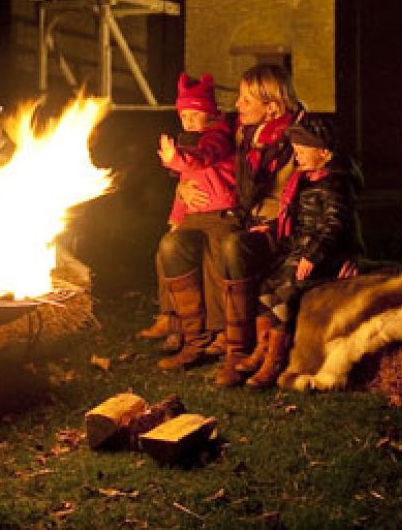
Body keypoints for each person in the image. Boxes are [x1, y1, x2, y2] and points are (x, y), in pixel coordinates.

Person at [159, 64, 304, 377]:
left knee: (231, 245)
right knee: (172, 244)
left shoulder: (298, 139)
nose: (237, 105)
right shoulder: (241, 132)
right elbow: (209, 159)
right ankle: (195, 339)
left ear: (272, 107)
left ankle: (235, 349)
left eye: (246, 100)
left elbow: (330, 187)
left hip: (276, 227)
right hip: (241, 216)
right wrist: (183, 186)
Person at [234, 114, 363, 389]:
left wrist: (313, 255)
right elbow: (297, 217)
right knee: (267, 285)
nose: (297, 157)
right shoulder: (306, 179)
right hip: (298, 249)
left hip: (323, 257)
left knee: (284, 292)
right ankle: (263, 348)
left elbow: (335, 225)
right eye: (295, 150)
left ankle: (276, 360)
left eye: (302, 152)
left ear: (324, 153)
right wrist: (270, 227)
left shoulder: (335, 184)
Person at [146, 74, 239, 374]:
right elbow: (185, 184)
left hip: (220, 214)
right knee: (166, 251)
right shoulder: (190, 142)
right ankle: (176, 322)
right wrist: (176, 218)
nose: (187, 120)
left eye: (193, 114)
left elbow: (202, 158)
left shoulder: (217, 136)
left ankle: (217, 331)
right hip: (194, 215)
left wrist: (177, 157)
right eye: (183, 115)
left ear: (209, 113)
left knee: (214, 262)